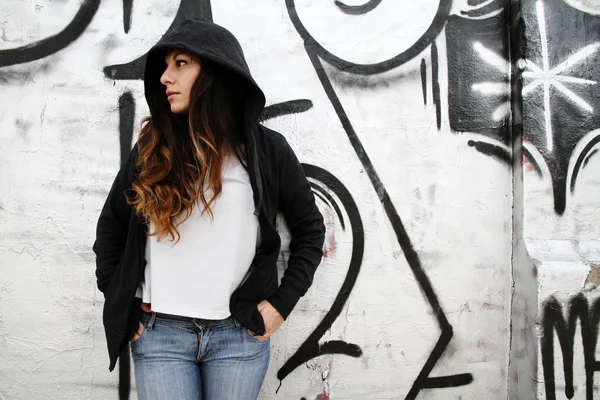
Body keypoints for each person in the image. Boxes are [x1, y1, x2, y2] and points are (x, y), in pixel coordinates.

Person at [92, 17, 326, 400]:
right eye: (165, 66)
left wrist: (282, 304)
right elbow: (111, 230)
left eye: (180, 63)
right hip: (159, 336)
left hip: (238, 337)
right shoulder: (153, 150)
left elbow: (310, 230)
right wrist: (119, 300)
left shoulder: (267, 151)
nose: (166, 77)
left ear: (217, 73)